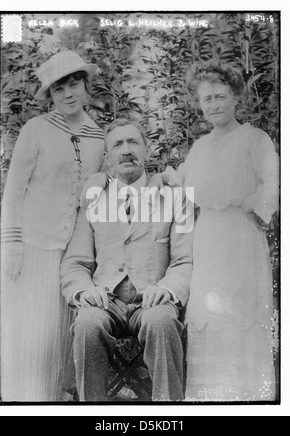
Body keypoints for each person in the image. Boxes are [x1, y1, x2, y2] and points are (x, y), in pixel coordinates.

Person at [60, 118, 193, 401]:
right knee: (86, 324)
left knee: (162, 322)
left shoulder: (172, 196)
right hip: (106, 300)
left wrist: (167, 288)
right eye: (117, 144)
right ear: (108, 157)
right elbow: (75, 263)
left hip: (151, 299)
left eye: (133, 142)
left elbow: (184, 260)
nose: (126, 150)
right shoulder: (93, 199)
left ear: (146, 149)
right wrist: (85, 290)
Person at [0, 50, 105, 401]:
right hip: (31, 247)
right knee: (29, 333)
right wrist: (10, 244)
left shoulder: (98, 137)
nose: (69, 94)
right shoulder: (37, 129)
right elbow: (13, 189)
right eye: (59, 89)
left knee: (56, 338)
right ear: (52, 96)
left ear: (85, 85)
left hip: (70, 254)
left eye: (74, 84)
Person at [180, 60, 279, 401]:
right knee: (209, 315)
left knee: (241, 315)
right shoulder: (200, 148)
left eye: (221, 96)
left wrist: (252, 205)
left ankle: (247, 399)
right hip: (208, 241)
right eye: (207, 99)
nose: (214, 105)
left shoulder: (254, 138)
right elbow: (183, 189)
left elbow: (276, 182)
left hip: (241, 239)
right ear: (199, 104)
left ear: (236, 97)